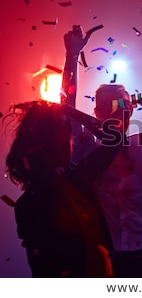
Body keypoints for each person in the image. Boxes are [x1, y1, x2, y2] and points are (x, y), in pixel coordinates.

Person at [62, 25, 142, 277]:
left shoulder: (141, 146)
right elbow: (66, 112)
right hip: (107, 261)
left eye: (126, 104)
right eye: (111, 105)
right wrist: (72, 55)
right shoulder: (88, 148)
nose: (121, 110)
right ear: (96, 112)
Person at [6, 100, 123, 277]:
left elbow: (116, 138)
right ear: (42, 150)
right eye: (58, 146)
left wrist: (69, 111)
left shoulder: (78, 179)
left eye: (66, 143)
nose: (63, 153)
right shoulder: (28, 206)